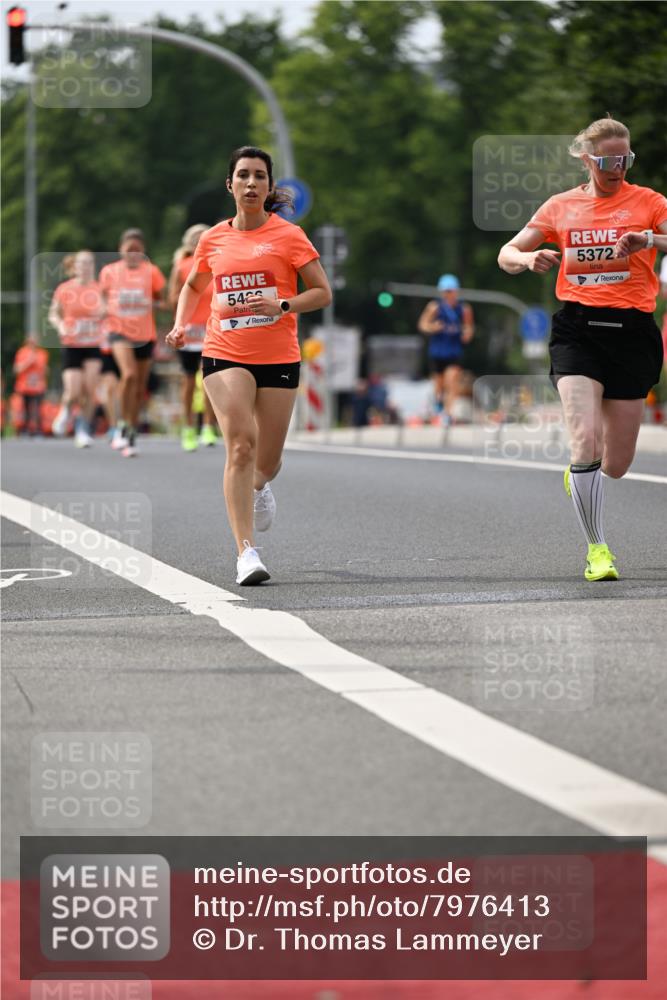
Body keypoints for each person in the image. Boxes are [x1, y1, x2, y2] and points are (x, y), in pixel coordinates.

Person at [498, 117, 667, 581]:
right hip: (577, 331)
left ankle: (584, 474)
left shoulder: (649, 201)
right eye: (609, 160)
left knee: (616, 464)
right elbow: (507, 253)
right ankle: (597, 549)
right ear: (588, 159)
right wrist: (529, 258)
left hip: (632, 333)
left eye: (625, 159)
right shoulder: (561, 206)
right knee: (585, 439)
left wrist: (648, 239)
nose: (618, 168)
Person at [166, 146, 332, 585]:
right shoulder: (213, 239)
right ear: (231, 185)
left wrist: (282, 303)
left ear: (270, 186)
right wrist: (182, 324)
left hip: (278, 355)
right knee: (241, 444)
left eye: (260, 176)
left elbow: (322, 292)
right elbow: (192, 286)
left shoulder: (289, 236)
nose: (252, 183)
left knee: (268, 460)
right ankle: (246, 553)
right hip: (224, 352)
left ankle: (259, 486)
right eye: (243, 175)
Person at [99, 228, 167, 457]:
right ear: (121, 250)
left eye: (137, 250)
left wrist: (152, 304)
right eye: (129, 250)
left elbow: (163, 301)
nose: (133, 254)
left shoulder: (152, 272)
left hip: (144, 334)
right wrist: (102, 312)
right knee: (127, 375)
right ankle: (119, 425)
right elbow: (101, 298)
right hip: (118, 331)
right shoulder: (109, 272)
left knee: (139, 386)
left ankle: (130, 428)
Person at [167, 224, 218, 451]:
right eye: (195, 238)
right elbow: (172, 298)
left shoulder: (219, 262)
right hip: (189, 331)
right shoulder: (182, 266)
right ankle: (188, 428)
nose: (199, 241)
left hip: (212, 329)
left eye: (203, 237)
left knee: (209, 379)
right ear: (188, 243)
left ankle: (208, 427)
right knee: (188, 381)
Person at [48, 250, 104, 447]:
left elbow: (108, 311)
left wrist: (103, 313)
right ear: (74, 266)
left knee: (89, 389)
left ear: (93, 266)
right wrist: (61, 324)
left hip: (93, 344)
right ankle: (65, 412)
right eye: (81, 263)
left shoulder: (99, 288)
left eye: (89, 263)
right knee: (73, 391)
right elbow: (54, 313)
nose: (85, 266)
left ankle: (82, 429)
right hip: (72, 344)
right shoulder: (64, 288)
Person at [417, 274, 474, 425]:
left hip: (454, 351)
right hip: (437, 352)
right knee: (439, 384)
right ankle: (438, 404)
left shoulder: (464, 309)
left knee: (452, 381)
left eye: (451, 291)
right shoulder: (434, 307)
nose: (448, 294)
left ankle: (448, 414)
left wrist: (467, 333)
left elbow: (469, 326)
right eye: (445, 291)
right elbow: (422, 324)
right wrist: (432, 327)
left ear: (456, 291)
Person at [12, 335, 49, 436]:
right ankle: (24, 429)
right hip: (24, 386)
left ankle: (37, 430)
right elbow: (16, 369)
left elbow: (45, 370)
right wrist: (28, 361)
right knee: (25, 408)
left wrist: (40, 365)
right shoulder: (22, 352)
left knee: (38, 409)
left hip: (38, 386)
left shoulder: (42, 353)